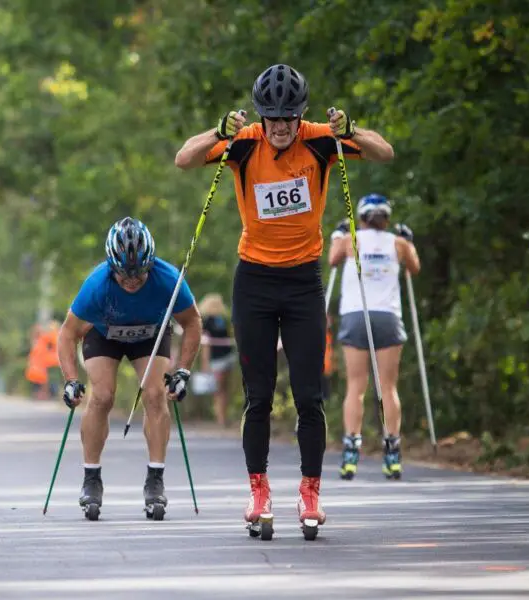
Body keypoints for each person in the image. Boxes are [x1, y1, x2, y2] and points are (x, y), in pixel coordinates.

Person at [174, 63, 394, 539]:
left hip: (302, 283)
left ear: (302, 116)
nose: (278, 128)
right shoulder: (245, 141)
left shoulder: (319, 140)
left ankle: (310, 492)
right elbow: (184, 159)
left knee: (309, 396)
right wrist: (217, 131)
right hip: (253, 282)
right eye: (271, 118)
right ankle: (259, 492)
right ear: (260, 115)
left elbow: (384, 152)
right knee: (257, 395)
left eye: (287, 119)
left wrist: (350, 130)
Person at [57, 217, 203, 521]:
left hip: (151, 333)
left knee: (155, 394)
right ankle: (91, 479)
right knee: (102, 396)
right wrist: (71, 380)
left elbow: (192, 322)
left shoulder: (168, 278)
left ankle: (155, 481)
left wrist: (183, 372)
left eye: (139, 274)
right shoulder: (97, 284)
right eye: (124, 275)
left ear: (151, 264)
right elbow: (68, 333)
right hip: (104, 334)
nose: (132, 281)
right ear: (112, 267)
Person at [328, 194, 420, 480]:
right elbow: (414, 268)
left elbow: (332, 260)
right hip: (387, 317)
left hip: (357, 314)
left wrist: (338, 234)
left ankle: (351, 450)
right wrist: (409, 241)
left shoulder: (350, 241)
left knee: (356, 385)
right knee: (388, 387)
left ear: (362, 217)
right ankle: (392, 451)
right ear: (387, 218)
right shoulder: (398, 243)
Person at [198, 293, 235, 427]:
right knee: (221, 389)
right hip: (222, 359)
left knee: (221, 390)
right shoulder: (215, 321)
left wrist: (205, 363)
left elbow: (208, 344)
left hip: (222, 359)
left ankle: (222, 418)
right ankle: (222, 418)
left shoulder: (214, 321)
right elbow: (208, 344)